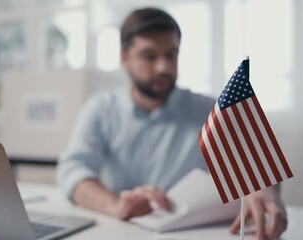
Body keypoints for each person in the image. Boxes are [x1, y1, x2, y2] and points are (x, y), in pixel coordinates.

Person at [57, 7, 287, 240]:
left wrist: (262, 189)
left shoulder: (210, 109)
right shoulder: (101, 108)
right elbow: (73, 170)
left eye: (171, 55)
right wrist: (116, 205)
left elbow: (258, 166)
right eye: (149, 56)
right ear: (124, 58)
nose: (164, 68)